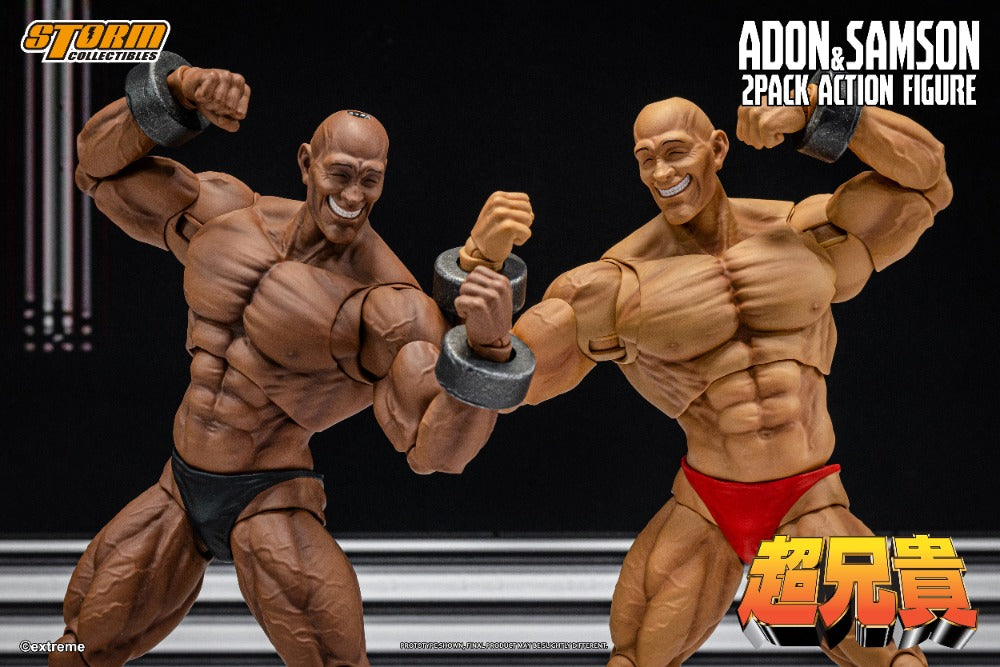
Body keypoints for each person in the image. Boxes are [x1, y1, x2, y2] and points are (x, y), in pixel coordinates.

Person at [52, 53, 532, 667]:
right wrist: (177, 92)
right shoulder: (228, 215)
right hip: (178, 488)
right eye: (340, 173)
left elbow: (435, 452)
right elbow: (97, 170)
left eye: (370, 180)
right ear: (306, 162)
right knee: (71, 646)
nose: (352, 195)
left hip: (268, 499)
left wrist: (488, 351)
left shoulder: (390, 304)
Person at [449, 85, 951, 666]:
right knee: (634, 659)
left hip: (808, 499)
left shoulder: (805, 233)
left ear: (717, 148)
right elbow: (505, 385)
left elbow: (927, 184)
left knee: (895, 660)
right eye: (645, 159)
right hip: (707, 506)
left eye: (675, 151)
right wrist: (478, 267)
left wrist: (820, 112)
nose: (661, 173)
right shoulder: (614, 284)